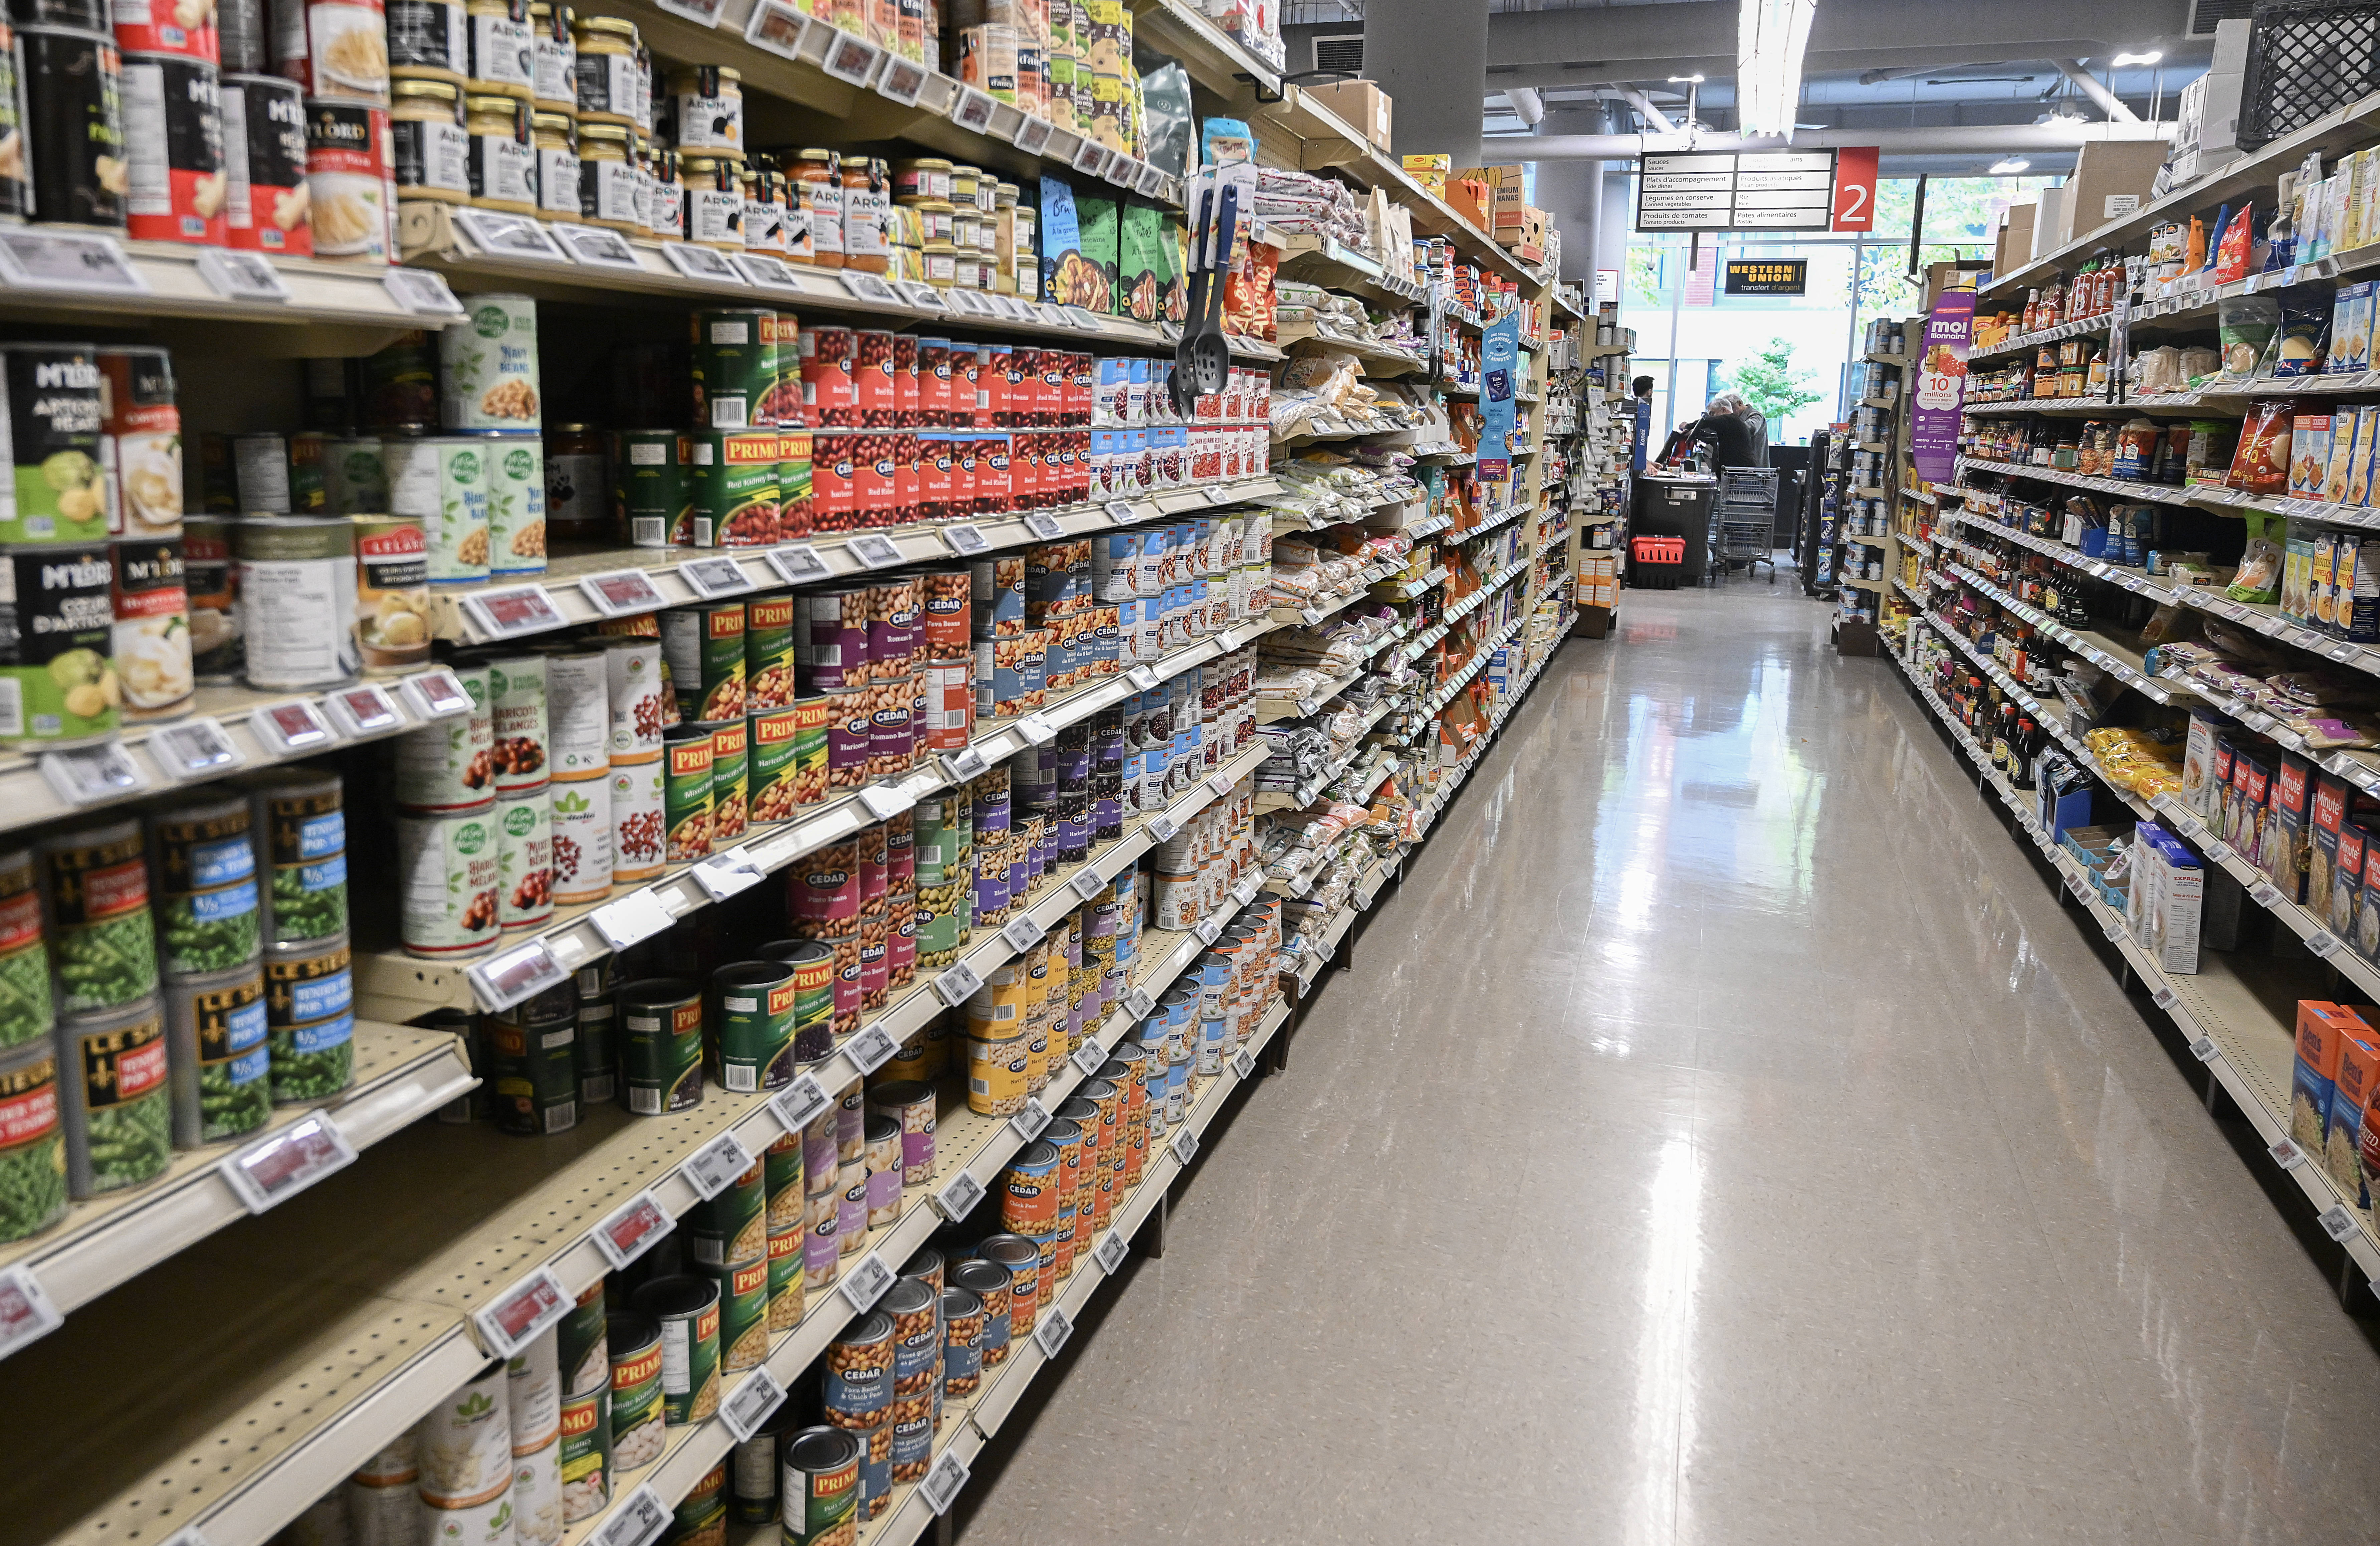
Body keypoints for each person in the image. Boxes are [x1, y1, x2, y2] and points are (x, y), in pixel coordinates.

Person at [1684, 392, 1761, 469]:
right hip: (1737, 468)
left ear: (1724, 410)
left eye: (1713, 414)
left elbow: (1706, 421)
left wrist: (1688, 426)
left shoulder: (1731, 420)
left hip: (1742, 470)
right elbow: (1714, 437)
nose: (1712, 417)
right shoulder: (1729, 424)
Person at [1630, 375, 1654, 474]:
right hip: (1635, 470)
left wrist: (1647, 462)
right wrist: (1645, 463)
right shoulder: (1643, 409)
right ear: (1649, 392)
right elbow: (1641, 441)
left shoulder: (1631, 406)